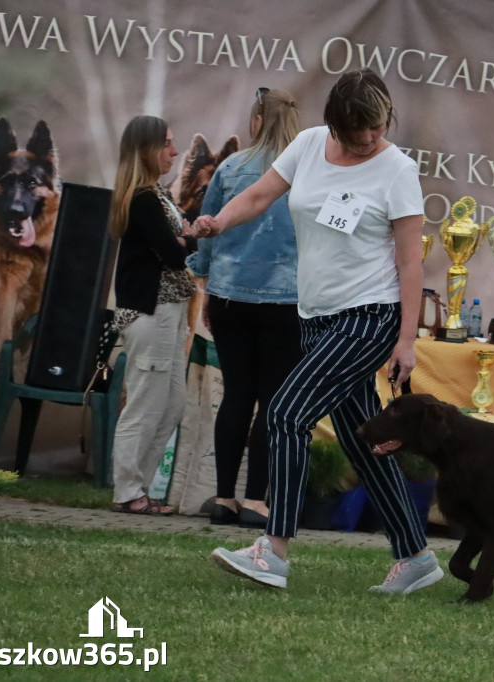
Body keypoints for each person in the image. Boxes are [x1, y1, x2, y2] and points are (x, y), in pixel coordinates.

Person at [191, 69, 442, 593]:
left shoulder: (398, 169)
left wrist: (405, 340)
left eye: (378, 127)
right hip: (315, 317)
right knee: (362, 439)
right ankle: (416, 556)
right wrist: (217, 222)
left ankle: (273, 550)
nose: (372, 138)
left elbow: (410, 263)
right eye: (360, 131)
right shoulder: (307, 146)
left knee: (285, 412)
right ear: (336, 123)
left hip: (369, 317)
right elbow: (259, 197)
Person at [186, 88, 304, 529]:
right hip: (286, 301)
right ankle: (257, 500)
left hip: (230, 296)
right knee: (274, 401)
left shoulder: (232, 167)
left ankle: (223, 499)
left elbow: (209, 227)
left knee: (237, 395)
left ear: (256, 121)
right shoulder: (305, 170)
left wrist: (206, 283)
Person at [109, 115, 197, 515]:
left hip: (172, 310)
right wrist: (192, 235)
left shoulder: (157, 196)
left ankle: (139, 487)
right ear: (146, 149)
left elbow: (174, 245)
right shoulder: (143, 199)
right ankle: (127, 491)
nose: (174, 152)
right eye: (166, 144)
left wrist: (185, 235)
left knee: (172, 405)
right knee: (145, 404)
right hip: (152, 310)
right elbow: (175, 254)